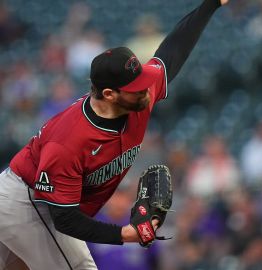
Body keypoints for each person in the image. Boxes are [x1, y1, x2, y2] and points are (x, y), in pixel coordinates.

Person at [0, 0, 230, 269]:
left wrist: (210, 5)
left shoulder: (135, 98)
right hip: (27, 202)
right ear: (109, 94)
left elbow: (173, 51)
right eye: (136, 87)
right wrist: (123, 234)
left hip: (39, 204)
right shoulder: (68, 142)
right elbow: (64, 220)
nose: (146, 90)